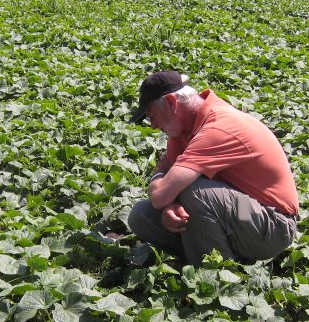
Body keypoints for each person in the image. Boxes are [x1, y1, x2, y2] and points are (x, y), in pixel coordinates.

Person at [127, 71, 299, 266]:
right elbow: (166, 193)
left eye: (151, 115)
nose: (153, 125)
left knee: (195, 192)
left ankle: (212, 274)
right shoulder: (181, 130)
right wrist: (170, 206)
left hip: (270, 221)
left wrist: (160, 174)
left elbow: (160, 193)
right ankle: (215, 253)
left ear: (171, 102)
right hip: (235, 208)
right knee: (141, 215)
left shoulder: (218, 128)